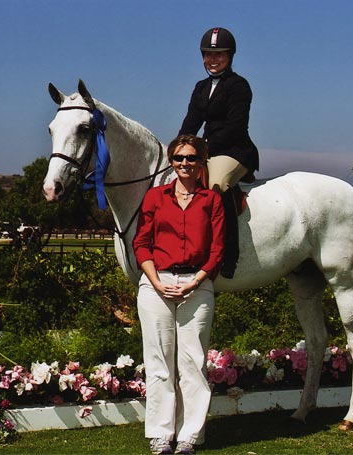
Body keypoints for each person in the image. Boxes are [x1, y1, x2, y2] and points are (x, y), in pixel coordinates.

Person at [133, 134, 225, 455]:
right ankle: (160, 435)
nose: (185, 164)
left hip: (196, 286)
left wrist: (195, 282)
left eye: (192, 158)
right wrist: (156, 281)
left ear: (202, 162)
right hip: (156, 284)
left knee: (192, 363)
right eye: (179, 158)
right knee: (158, 363)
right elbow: (141, 243)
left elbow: (217, 250)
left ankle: (189, 436)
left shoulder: (211, 200)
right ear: (171, 162)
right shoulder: (155, 197)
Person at [179, 27, 259, 279]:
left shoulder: (239, 86)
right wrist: (180, 147)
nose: (213, 60)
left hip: (235, 150)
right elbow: (191, 121)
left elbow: (236, 127)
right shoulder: (201, 87)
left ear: (230, 56)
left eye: (219, 55)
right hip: (207, 149)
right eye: (208, 55)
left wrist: (201, 149)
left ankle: (228, 256)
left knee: (216, 183)